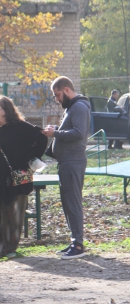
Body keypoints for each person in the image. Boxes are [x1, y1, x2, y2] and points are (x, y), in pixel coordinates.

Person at [0, 95, 47, 259]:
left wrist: (28, 160)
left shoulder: (20, 127)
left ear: (7, 111)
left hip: (14, 180)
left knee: (12, 213)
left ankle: (9, 247)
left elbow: (40, 138)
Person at [42, 76, 91, 260]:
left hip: (73, 162)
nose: (57, 99)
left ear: (67, 90)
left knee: (73, 203)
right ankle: (74, 241)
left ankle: (78, 245)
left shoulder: (78, 107)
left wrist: (55, 133)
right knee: (68, 204)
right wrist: (56, 128)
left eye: (58, 95)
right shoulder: (73, 108)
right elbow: (72, 129)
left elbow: (78, 133)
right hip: (67, 162)